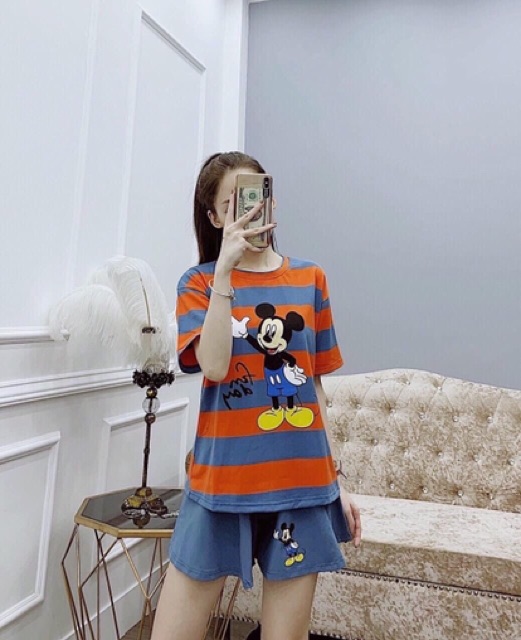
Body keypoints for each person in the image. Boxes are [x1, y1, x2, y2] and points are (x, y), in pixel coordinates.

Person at [151, 151, 362, 640]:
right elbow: (214, 366)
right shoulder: (198, 283)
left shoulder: (310, 279)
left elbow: (313, 388)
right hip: (221, 484)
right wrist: (224, 275)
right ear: (214, 217)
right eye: (233, 203)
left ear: (271, 199)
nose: (248, 212)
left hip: (301, 486)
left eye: (255, 196)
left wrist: (337, 480)